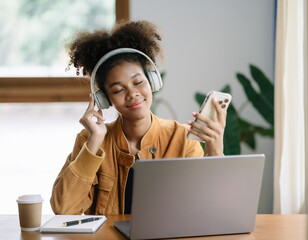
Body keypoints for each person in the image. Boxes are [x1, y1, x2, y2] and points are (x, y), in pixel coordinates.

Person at [50, 20, 228, 215]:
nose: (132, 93)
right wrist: (94, 143)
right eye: (118, 90)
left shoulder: (182, 139)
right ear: (105, 99)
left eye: (138, 82)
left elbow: (207, 212)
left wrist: (216, 152)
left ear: (153, 81)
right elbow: (64, 210)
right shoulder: (89, 141)